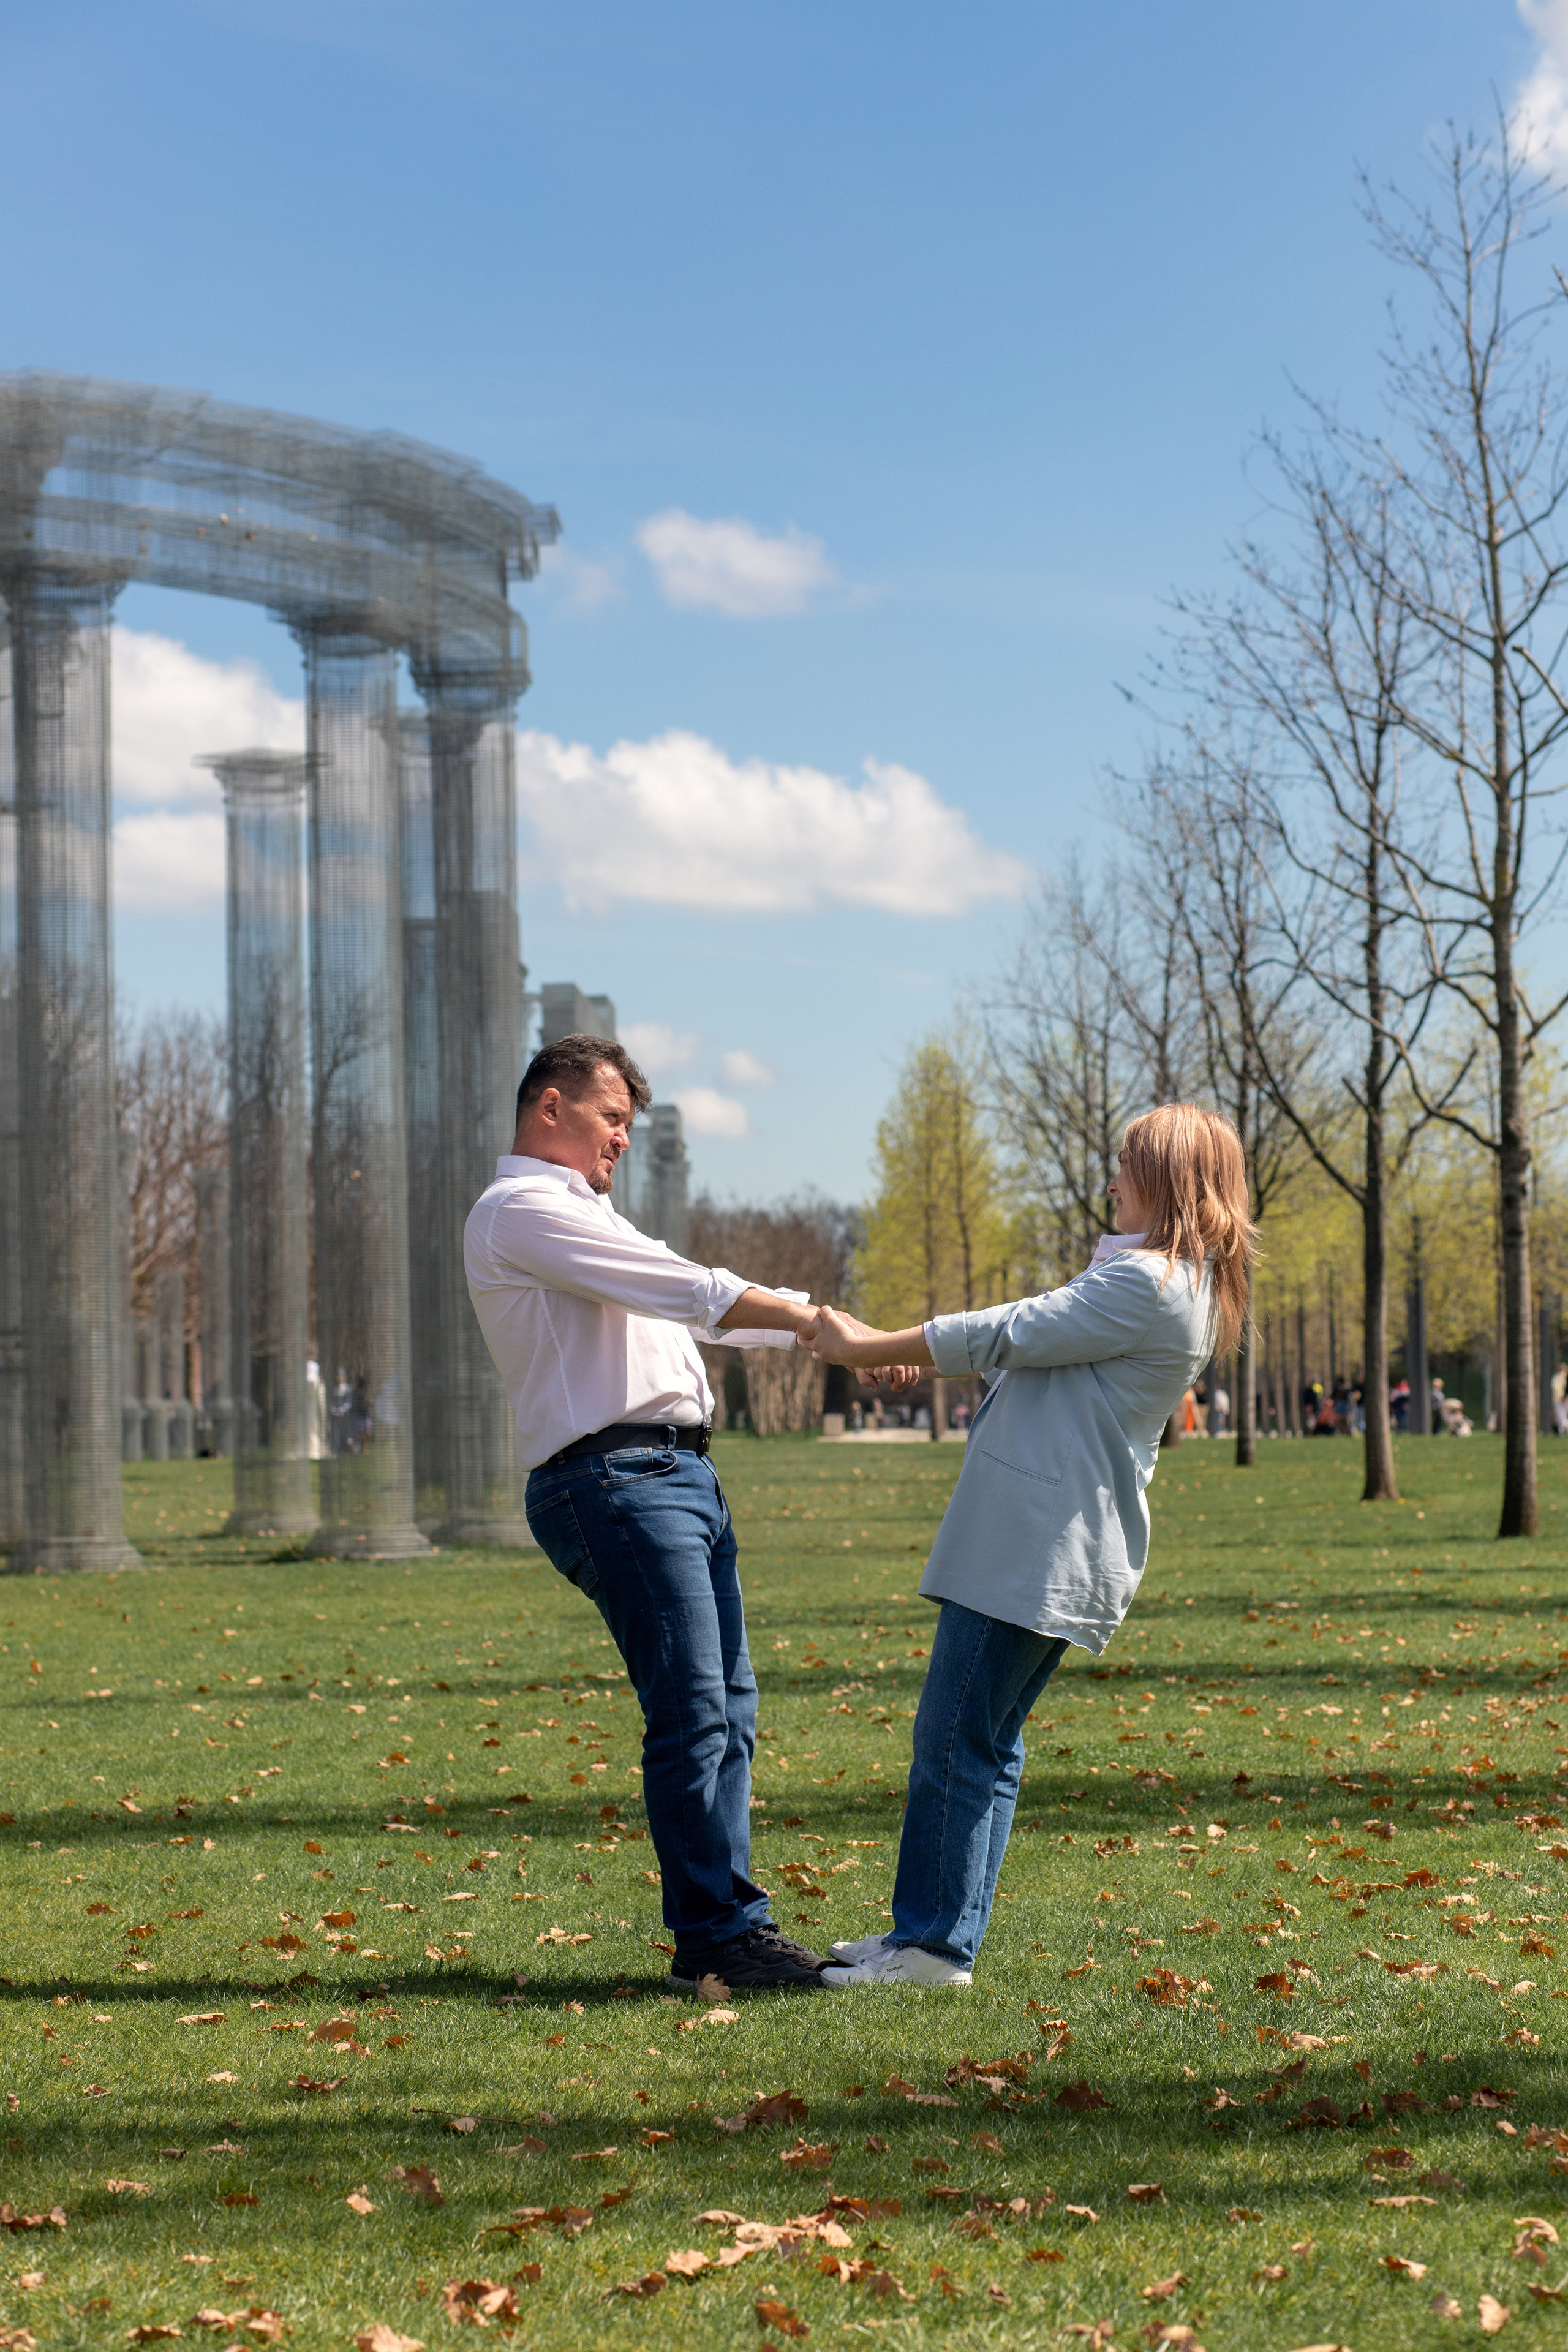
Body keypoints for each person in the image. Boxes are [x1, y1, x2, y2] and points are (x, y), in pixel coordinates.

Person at [464, 1033, 906, 1996]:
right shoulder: (519, 1210)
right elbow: (685, 1288)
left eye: (628, 1124)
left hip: (677, 1477)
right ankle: (716, 1938)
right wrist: (817, 1324)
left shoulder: (590, 1216)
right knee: (696, 1712)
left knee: (727, 1710)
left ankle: (730, 1928)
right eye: (610, 1118)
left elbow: (704, 1308)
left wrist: (838, 1336)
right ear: (550, 1108)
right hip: (614, 1478)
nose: (621, 1139)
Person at [796, 1102, 1254, 1989]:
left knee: (954, 1739)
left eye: (1126, 1165)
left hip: (1038, 1550)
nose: (1111, 1181)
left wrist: (873, 1342)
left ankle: (931, 1949)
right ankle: (927, 1937)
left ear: (1165, 1180)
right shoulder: (1158, 1285)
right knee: (984, 1745)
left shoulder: (1151, 1283)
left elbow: (1012, 1328)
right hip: (1047, 1548)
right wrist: (904, 1359)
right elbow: (1034, 1359)